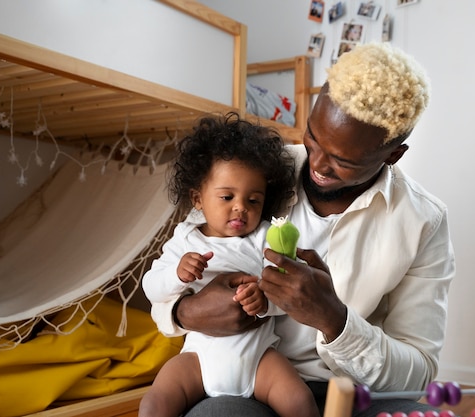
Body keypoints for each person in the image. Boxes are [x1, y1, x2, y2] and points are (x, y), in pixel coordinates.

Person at [150, 42, 456, 417]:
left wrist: (335, 320)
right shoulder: (255, 171)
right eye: (313, 136)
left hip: (348, 391)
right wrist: (186, 312)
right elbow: (182, 259)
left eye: (343, 160)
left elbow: (419, 373)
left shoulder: (423, 221)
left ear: (393, 154)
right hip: (246, 379)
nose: (318, 164)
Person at [139, 112, 320, 417]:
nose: (240, 207)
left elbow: (290, 296)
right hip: (199, 359)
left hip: (260, 359)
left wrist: (264, 302)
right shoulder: (185, 241)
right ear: (198, 198)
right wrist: (176, 275)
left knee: (300, 402)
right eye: (226, 197)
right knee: (155, 402)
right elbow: (151, 288)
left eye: (253, 200)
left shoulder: (265, 238)